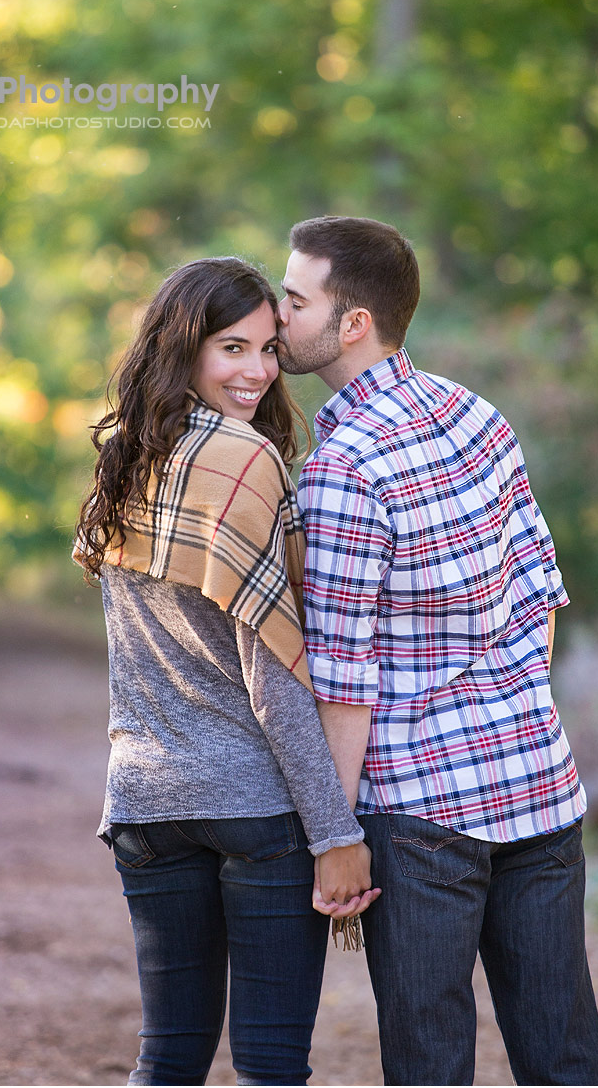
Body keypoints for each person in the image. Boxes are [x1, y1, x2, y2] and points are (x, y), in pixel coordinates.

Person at [276, 216, 598, 1087]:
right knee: (564, 1052)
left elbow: (343, 678)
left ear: (352, 323)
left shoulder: (343, 468)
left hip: (419, 812)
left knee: (428, 1062)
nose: (278, 315)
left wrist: (332, 834)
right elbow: (539, 597)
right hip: (536, 781)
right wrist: (506, 710)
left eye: (294, 298)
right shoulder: (477, 414)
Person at [73, 256, 378, 1088]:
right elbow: (273, 676)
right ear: (185, 347)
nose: (256, 371)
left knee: (166, 1056)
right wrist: (335, 834)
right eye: (231, 349)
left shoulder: (127, 459)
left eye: (269, 349)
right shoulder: (245, 461)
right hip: (253, 807)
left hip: (144, 802)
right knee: (271, 1064)